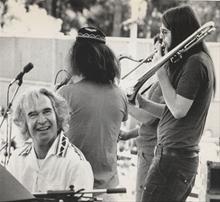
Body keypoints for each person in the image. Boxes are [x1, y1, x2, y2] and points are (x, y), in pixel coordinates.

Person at [137, 5, 216, 202]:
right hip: (174, 157)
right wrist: (142, 102)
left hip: (174, 159)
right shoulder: (194, 61)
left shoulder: (195, 63)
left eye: (165, 32)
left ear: (179, 31)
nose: (161, 38)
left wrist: (162, 75)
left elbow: (179, 110)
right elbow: (174, 110)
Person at [58, 27, 128, 196]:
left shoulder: (65, 94)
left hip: (75, 188)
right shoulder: (120, 94)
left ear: (77, 58)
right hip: (109, 189)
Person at [7, 87, 94, 193]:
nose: (42, 120)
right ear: (24, 123)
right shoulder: (16, 160)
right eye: (33, 115)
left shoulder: (76, 164)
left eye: (47, 111)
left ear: (58, 117)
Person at [119, 81, 163, 202]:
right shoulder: (161, 82)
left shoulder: (164, 82)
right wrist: (129, 134)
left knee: (143, 198)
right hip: (149, 149)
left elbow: (148, 118)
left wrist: (122, 102)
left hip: (150, 151)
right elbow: (152, 125)